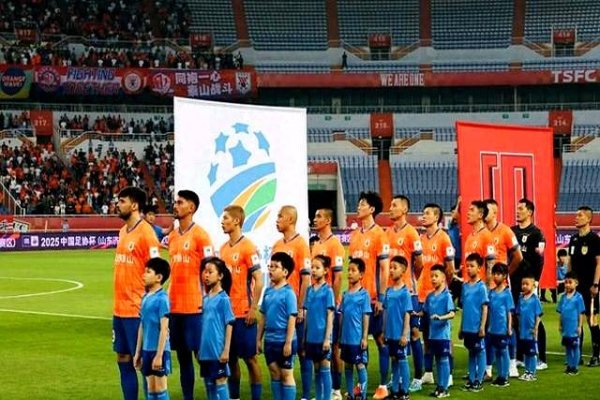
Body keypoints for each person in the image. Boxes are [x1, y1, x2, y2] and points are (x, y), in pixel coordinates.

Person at [113, 186, 161, 400]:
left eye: (122, 201)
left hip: (137, 310)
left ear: (134, 205)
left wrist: (150, 304)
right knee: (123, 358)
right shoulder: (123, 231)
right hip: (119, 309)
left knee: (142, 362)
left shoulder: (147, 234)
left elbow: (157, 271)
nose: (118, 205)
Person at [167, 190, 213, 400]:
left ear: (191, 208)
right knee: (183, 357)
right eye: (175, 202)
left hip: (195, 306)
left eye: (180, 202)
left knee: (202, 356)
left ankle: (214, 394)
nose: (175, 206)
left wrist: (209, 301)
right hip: (175, 306)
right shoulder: (173, 236)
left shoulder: (201, 235)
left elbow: (211, 270)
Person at [348, 192, 390, 399]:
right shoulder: (355, 235)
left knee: (380, 339)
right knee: (358, 341)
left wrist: (381, 298)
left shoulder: (380, 235)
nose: (358, 206)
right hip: (355, 298)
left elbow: (384, 268)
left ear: (372, 209)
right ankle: (361, 384)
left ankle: (383, 384)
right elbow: (352, 269)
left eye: (362, 204)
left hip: (372, 298)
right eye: (358, 203)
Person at [219, 205, 263, 400]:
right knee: (231, 359)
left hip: (243, 313)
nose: (222, 222)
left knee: (251, 359)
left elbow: (259, 279)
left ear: (236, 221)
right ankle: (235, 397)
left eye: (226, 218)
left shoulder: (248, 247)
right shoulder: (222, 249)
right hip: (226, 315)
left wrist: (253, 308)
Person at [272, 205, 312, 400]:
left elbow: (306, 279)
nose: (277, 219)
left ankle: (305, 395)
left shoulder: (301, 245)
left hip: (294, 307)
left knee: (302, 351)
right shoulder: (277, 245)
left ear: (289, 219)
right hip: (278, 309)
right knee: (278, 354)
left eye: (280, 216)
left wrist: (301, 307)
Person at [387, 195, 424, 394]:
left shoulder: (411, 233)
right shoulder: (387, 233)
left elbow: (419, 263)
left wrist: (410, 280)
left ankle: (418, 377)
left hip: (409, 291)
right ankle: (397, 378)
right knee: (393, 334)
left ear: (404, 209)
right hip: (392, 291)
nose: (390, 208)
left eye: (394, 205)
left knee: (414, 333)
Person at [416, 203, 455, 390]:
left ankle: (449, 374)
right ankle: (429, 373)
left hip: (438, 295)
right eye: (423, 213)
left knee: (444, 336)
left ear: (436, 217)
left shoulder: (444, 238)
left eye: (427, 214)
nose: (423, 216)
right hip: (423, 295)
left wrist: (444, 290)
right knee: (427, 336)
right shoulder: (420, 238)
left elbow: (450, 268)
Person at [484, 198, 523, 378]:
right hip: (485, 287)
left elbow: (518, 256)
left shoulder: (505, 231)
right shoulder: (480, 232)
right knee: (487, 325)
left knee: (508, 323)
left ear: (495, 212)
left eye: (487, 210)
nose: (484, 213)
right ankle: (487, 367)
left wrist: (505, 273)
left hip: (501, 287)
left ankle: (512, 363)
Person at [311, 208, 345, 400]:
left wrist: (334, 301)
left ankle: (336, 390)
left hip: (330, 304)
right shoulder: (316, 245)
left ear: (328, 220)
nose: (315, 219)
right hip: (316, 305)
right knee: (318, 350)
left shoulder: (335, 244)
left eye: (319, 216)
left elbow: (338, 277)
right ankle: (323, 392)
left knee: (334, 347)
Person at [511, 198, 548, 369]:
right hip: (514, 281)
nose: (517, 211)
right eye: (517, 208)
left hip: (529, 281)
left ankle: (541, 358)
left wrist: (535, 281)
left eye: (521, 209)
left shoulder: (537, 234)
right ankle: (520, 355)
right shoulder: (512, 231)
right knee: (517, 318)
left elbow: (540, 259)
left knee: (534, 318)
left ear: (530, 212)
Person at [258, 252, 298, 400]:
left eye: (275, 267)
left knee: (286, 374)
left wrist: (288, 342)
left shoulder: (289, 293)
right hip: (270, 340)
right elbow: (263, 316)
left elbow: (292, 318)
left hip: (284, 340)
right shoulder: (267, 291)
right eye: (270, 266)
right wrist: (258, 339)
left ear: (285, 272)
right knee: (274, 372)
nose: (271, 270)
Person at [133, 258, 171, 400]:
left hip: (159, 350)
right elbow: (142, 326)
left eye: (148, 272)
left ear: (159, 277)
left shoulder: (162, 299)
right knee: (151, 389)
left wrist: (159, 355)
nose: (144, 275)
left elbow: (164, 329)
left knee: (160, 389)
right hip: (147, 350)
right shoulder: (145, 297)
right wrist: (138, 352)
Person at [567, 206, 600, 367]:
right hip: (576, 288)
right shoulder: (573, 239)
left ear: (588, 219)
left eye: (580, 215)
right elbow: (570, 262)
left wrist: (596, 284)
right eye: (576, 215)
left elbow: (599, 263)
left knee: (591, 320)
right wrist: (568, 281)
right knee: (575, 321)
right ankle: (577, 356)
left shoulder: (594, 239)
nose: (576, 217)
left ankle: (596, 355)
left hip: (589, 287)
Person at [199, 257, 234, 400]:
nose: (206, 275)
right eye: (205, 272)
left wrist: (226, 350)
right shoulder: (205, 299)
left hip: (217, 351)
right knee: (209, 384)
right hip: (205, 351)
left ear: (220, 276)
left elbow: (229, 324)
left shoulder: (223, 299)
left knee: (220, 381)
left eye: (210, 272)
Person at [339, 258, 371, 400]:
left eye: (353, 270)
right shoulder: (345, 294)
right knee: (347, 366)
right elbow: (342, 315)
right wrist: (340, 336)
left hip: (356, 338)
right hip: (345, 338)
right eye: (349, 270)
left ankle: (362, 395)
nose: (350, 273)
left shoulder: (364, 295)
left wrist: (364, 337)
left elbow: (366, 316)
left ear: (361, 274)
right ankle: (351, 395)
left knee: (360, 365)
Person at [303, 255, 335, 400]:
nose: (313, 270)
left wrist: (327, 338)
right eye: (312, 267)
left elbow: (330, 315)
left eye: (317, 267)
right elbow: (307, 315)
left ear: (326, 270)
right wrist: (304, 337)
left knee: (325, 369)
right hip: (311, 338)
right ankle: (318, 396)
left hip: (323, 338)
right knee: (316, 370)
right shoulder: (309, 290)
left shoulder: (328, 291)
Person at [423, 264, 455, 398]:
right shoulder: (430, 296)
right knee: (437, 360)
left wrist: (440, 317)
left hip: (443, 335)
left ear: (443, 278)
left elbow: (452, 313)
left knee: (443, 359)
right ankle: (439, 386)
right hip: (433, 334)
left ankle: (445, 388)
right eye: (432, 276)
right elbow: (425, 311)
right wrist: (414, 314)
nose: (433, 279)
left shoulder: (447, 295)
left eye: (436, 276)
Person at [383, 256, 413, 400]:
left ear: (403, 270)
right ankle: (395, 390)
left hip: (400, 334)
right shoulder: (389, 291)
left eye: (395, 268)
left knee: (402, 360)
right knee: (394, 360)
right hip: (390, 333)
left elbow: (407, 314)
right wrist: (384, 331)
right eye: (390, 267)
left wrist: (404, 335)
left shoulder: (405, 292)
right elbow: (386, 312)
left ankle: (405, 391)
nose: (391, 270)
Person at [459, 253, 488, 392]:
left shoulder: (481, 287)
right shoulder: (465, 286)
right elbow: (464, 308)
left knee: (480, 351)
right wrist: (461, 327)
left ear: (479, 268)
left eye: (472, 266)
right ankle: (471, 379)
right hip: (467, 327)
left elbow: (484, 308)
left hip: (477, 327)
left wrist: (482, 326)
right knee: (471, 352)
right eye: (467, 266)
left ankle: (479, 380)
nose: (469, 269)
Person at [487, 263, 514, 388]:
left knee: (503, 350)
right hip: (493, 328)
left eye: (498, 274)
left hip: (502, 327)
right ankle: (499, 375)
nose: (495, 276)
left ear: (504, 276)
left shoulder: (507, 293)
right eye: (494, 274)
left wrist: (509, 327)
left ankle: (505, 376)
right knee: (497, 351)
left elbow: (509, 311)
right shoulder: (491, 293)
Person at [557, 271, 586, 375]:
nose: (567, 285)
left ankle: (575, 367)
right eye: (566, 282)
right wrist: (560, 324)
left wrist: (580, 326)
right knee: (568, 347)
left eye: (570, 282)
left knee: (575, 346)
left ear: (576, 283)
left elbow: (581, 313)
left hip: (574, 327)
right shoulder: (563, 297)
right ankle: (569, 366)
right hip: (566, 328)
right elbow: (561, 312)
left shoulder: (578, 297)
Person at [516, 272, 543, 382]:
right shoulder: (521, 298)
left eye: (527, 284)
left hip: (531, 331)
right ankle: (527, 371)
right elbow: (518, 313)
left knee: (532, 353)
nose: (524, 286)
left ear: (533, 285)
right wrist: (519, 325)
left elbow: (538, 315)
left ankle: (532, 372)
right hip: (523, 331)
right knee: (526, 353)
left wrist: (536, 327)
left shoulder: (535, 299)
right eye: (523, 284)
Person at [463, 200, 495, 284]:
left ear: (480, 215)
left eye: (472, 210)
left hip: (480, 287)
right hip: (468, 287)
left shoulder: (487, 236)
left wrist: (487, 288)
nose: (468, 213)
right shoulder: (469, 237)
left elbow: (491, 264)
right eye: (468, 210)